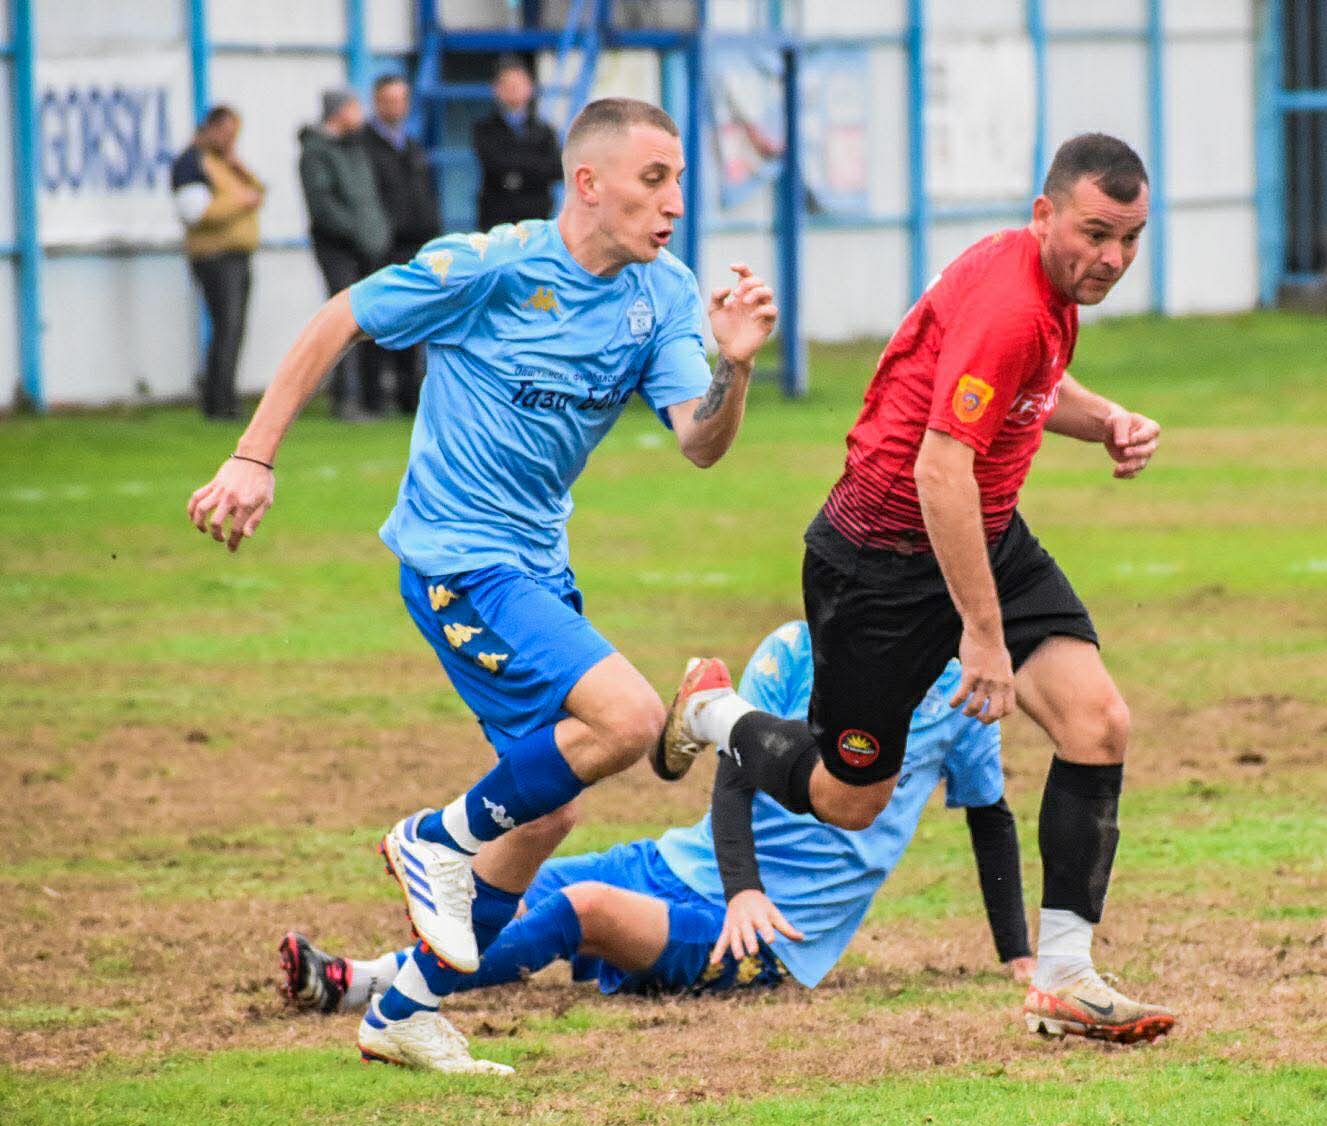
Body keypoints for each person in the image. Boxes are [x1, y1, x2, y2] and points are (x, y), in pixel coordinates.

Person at [185, 97, 778, 1073]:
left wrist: (736, 371)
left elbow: (700, 442)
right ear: (588, 184)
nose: (676, 200)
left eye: (679, 179)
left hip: (537, 566)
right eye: (654, 179)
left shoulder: (663, 295)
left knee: (548, 811)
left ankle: (403, 1010)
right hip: (458, 558)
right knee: (631, 719)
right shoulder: (493, 266)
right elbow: (341, 317)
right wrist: (255, 456)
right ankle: (434, 839)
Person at [651, 133, 1172, 1043]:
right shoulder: (1011, 303)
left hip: (981, 530)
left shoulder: (1041, 287)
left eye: (1130, 238)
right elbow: (939, 470)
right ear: (1044, 214)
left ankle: (1063, 978)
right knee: (850, 798)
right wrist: (982, 635)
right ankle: (713, 713)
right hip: (880, 561)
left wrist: (1108, 420)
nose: (1113, 258)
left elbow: (1032, 389)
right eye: (1096, 233)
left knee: (1098, 724)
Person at [279, 621, 1040, 1074]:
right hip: (685, 864)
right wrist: (739, 882)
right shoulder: (794, 649)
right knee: (503, 885)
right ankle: (373, 980)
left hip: (768, 933)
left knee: (579, 909)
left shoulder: (963, 692)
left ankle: (364, 989)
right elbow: (735, 770)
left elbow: (990, 815)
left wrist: (1017, 952)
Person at [298, 89, 391, 420]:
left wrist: (377, 235)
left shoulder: (356, 147)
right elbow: (324, 207)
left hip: (368, 248)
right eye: (355, 108)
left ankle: (371, 397)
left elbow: (370, 200)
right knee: (342, 322)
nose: (361, 115)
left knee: (369, 321)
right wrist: (359, 234)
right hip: (338, 249)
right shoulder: (316, 152)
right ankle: (344, 397)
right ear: (338, 113)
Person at [171, 106, 264, 422]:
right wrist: (241, 200)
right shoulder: (191, 163)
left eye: (235, 135)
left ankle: (224, 397)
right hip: (213, 257)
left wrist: (240, 170)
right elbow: (196, 213)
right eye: (226, 134)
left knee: (234, 328)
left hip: (237, 255)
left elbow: (258, 192)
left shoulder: (225, 162)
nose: (230, 141)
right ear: (209, 129)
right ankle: (218, 401)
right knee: (226, 326)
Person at [361, 74, 442, 415]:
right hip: (382, 247)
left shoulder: (412, 146)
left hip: (416, 245)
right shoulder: (363, 147)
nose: (396, 107)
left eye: (401, 100)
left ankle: (409, 397)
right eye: (389, 100)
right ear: (377, 102)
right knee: (376, 324)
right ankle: (373, 398)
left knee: (413, 322)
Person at [472, 58, 562, 230]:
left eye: (518, 84)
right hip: (497, 220)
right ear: (496, 89)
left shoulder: (545, 131)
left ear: (530, 87)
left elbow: (556, 169)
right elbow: (494, 164)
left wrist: (516, 174)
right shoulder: (484, 129)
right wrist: (533, 168)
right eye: (507, 85)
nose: (513, 90)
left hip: (536, 218)